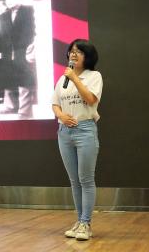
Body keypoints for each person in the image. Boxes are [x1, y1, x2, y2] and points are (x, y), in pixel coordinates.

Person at [52, 39, 102, 241]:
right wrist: (61, 116)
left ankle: (86, 223)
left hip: (85, 130)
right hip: (64, 132)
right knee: (74, 181)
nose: (73, 54)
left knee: (86, 179)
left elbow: (90, 99)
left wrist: (74, 78)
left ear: (87, 56)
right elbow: (55, 103)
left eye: (79, 52)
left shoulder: (94, 76)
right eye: (71, 51)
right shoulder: (62, 79)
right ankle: (79, 221)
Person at [0, 0, 36, 119]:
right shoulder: (3, 15)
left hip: (24, 50)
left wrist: (30, 47)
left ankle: (25, 111)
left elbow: (32, 31)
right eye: (7, 0)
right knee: (8, 77)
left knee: (24, 78)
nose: (9, 2)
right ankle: (10, 106)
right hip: (7, 51)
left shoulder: (29, 11)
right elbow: (2, 34)